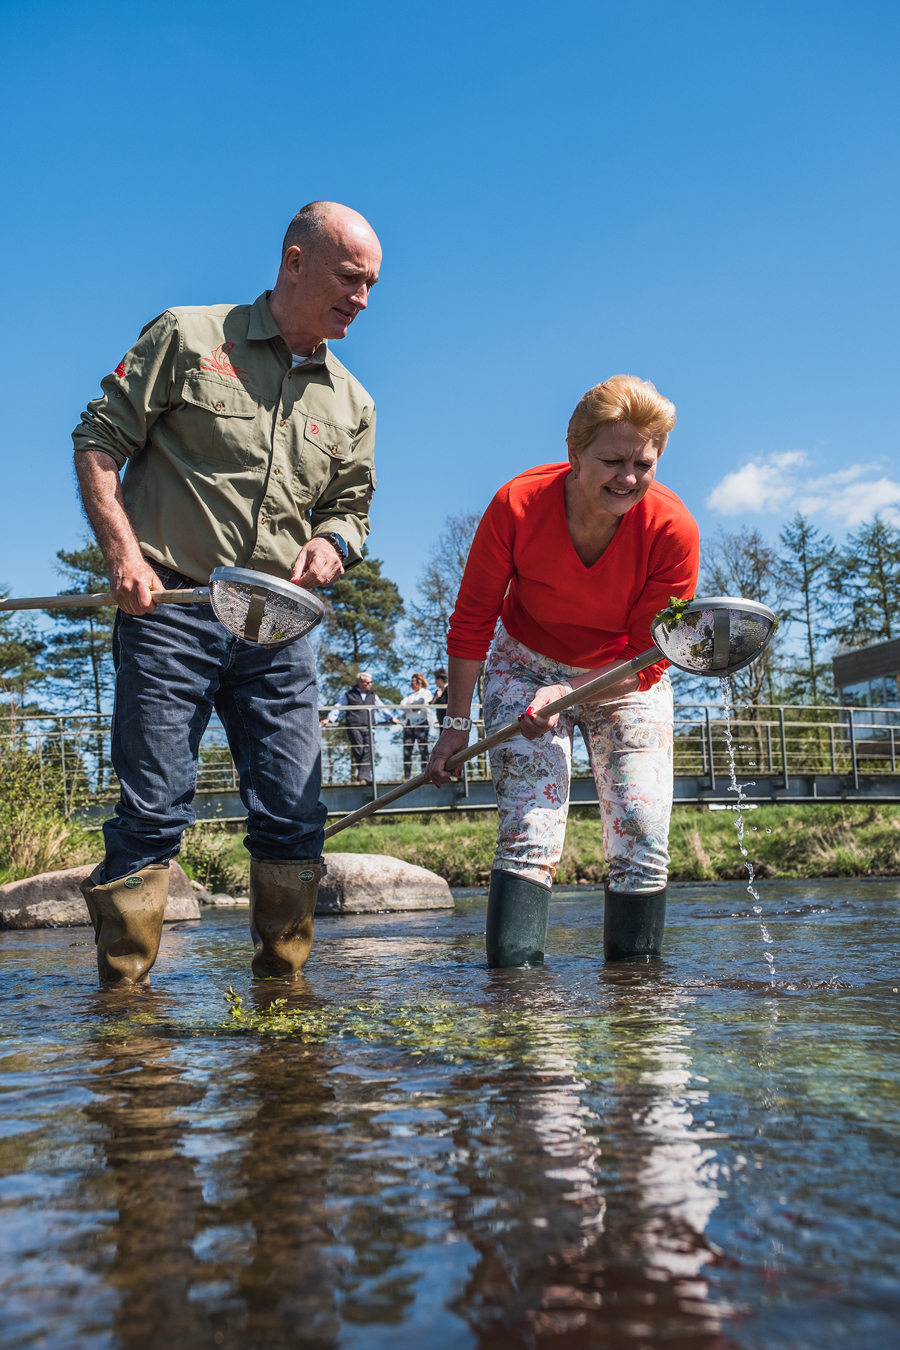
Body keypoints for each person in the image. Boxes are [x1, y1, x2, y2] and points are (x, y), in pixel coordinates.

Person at [72, 201, 382, 985]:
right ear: (294, 261)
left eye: (373, 285)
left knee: (293, 812)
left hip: (279, 623)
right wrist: (122, 556)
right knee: (154, 808)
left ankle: (284, 992)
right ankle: (126, 1011)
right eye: (350, 278)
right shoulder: (187, 335)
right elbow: (98, 442)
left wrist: (334, 542)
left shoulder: (353, 402)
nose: (363, 299)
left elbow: (352, 509)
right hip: (169, 607)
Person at [427, 375, 699, 968]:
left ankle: (637, 1004)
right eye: (611, 460)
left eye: (642, 463)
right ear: (574, 454)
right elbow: (473, 622)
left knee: (641, 828)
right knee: (532, 826)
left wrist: (572, 689)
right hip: (524, 664)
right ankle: (517, 999)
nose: (628, 478)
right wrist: (455, 726)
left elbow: (653, 656)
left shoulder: (673, 529)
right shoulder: (517, 504)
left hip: (626, 676)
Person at [320, 671, 399, 782]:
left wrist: (390, 718)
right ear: (360, 682)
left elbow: (382, 708)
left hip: (369, 725)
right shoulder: (349, 694)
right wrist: (329, 719)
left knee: (369, 749)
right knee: (359, 749)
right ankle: (364, 776)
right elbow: (338, 706)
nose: (370, 684)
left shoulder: (372, 695)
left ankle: (363, 776)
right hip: (354, 726)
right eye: (367, 682)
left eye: (371, 682)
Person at [399, 673, 433, 777]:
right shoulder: (409, 695)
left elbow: (421, 702)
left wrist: (410, 708)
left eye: (414, 683)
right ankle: (407, 775)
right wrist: (412, 708)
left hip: (421, 723)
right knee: (407, 750)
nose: (412, 685)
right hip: (409, 725)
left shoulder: (426, 693)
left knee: (423, 749)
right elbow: (401, 705)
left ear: (420, 682)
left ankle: (425, 772)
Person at [430, 668, 449, 741]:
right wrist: (436, 697)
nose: (435, 682)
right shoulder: (438, 691)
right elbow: (431, 704)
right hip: (441, 722)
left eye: (435, 680)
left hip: (449, 721)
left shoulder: (449, 689)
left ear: (440, 679)